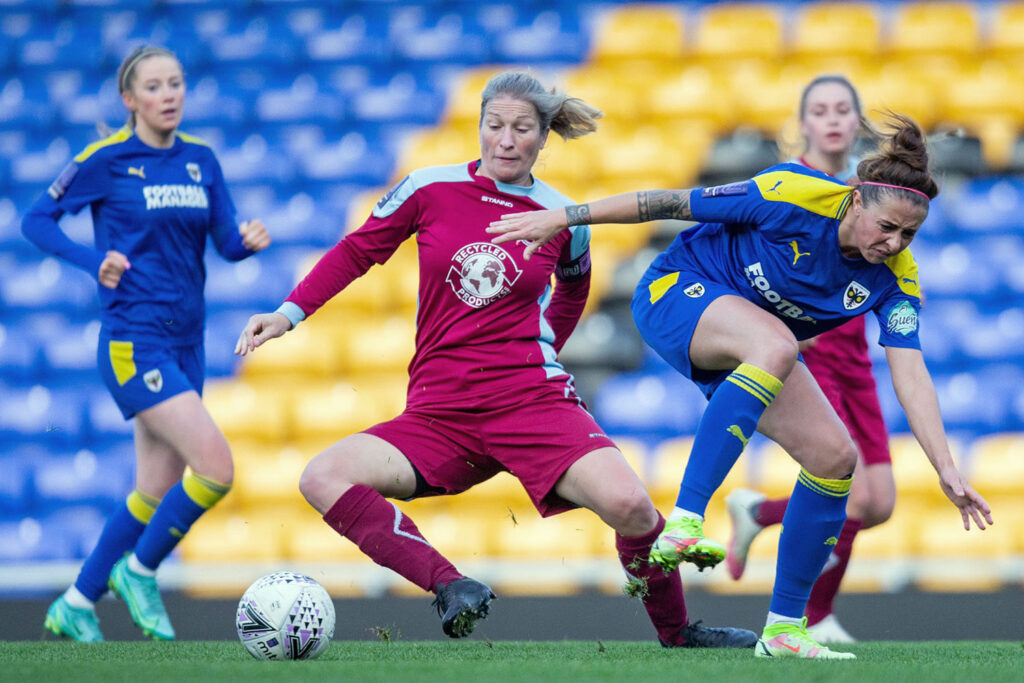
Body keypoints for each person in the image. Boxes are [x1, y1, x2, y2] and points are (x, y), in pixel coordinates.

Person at [235, 70, 755, 648]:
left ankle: (678, 634)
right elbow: (359, 251)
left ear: (542, 138)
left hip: (531, 402)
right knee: (322, 476)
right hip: (440, 411)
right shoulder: (427, 188)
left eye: (522, 128)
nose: (506, 139)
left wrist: (548, 351)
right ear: (480, 127)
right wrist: (288, 313)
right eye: (495, 125)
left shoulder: (561, 215)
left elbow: (575, 286)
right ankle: (449, 584)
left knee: (633, 507)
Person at [486, 112, 993, 660]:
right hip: (674, 294)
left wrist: (946, 468)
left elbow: (910, 372)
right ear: (854, 199)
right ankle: (685, 518)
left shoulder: (896, 278)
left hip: (753, 347)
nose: (894, 243)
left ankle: (783, 630)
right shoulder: (792, 193)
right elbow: (667, 204)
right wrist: (564, 217)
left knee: (835, 456)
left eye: (908, 235)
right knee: (777, 345)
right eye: (886, 227)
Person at [24, 46, 271, 642]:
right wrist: (93, 261)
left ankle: (78, 603)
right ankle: (139, 571)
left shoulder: (201, 161)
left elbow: (224, 243)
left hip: (187, 342)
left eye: (176, 83)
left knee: (153, 489)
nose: (169, 94)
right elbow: (37, 220)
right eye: (155, 86)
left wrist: (247, 242)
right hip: (135, 341)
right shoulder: (107, 160)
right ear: (130, 100)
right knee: (215, 468)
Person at [724, 74, 894, 644]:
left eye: (843, 108)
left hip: (857, 361)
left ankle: (759, 514)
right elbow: (742, 261)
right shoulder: (785, 185)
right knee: (853, 490)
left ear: (857, 120)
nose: (833, 119)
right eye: (820, 109)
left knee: (881, 504)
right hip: (813, 355)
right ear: (804, 123)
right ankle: (813, 617)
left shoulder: (873, 192)